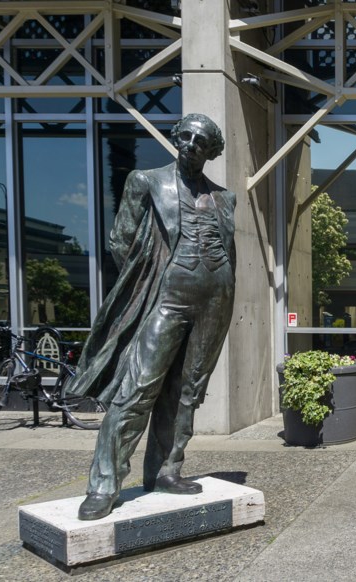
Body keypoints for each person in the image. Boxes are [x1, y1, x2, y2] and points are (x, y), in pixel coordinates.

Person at [66, 113, 236, 521]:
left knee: (188, 391)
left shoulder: (225, 197)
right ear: (177, 138)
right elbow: (121, 242)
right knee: (139, 386)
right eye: (187, 136)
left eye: (201, 141)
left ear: (211, 151)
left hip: (216, 298)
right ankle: (104, 483)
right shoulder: (147, 182)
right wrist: (152, 284)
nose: (192, 145)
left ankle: (166, 470)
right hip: (167, 298)